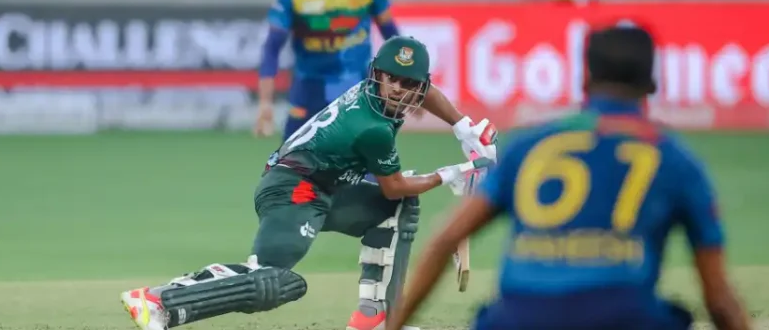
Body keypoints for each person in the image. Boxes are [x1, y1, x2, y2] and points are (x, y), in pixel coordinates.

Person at [387, 26, 752, 330]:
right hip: (622, 317)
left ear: (585, 78)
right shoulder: (675, 160)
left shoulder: (529, 146)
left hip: (519, 318)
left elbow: (445, 240)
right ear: (652, 83)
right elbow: (719, 301)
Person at [121, 36, 498, 330]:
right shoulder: (372, 128)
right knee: (272, 281)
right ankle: (158, 301)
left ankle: (378, 317)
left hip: (329, 187)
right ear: (378, 75)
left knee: (396, 210)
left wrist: (463, 126)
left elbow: (424, 96)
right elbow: (394, 186)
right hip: (294, 189)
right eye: (392, 79)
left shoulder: (383, 96)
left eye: (408, 83)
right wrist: (450, 174)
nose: (399, 88)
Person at [253, 0, 496, 176]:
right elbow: (272, 48)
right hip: (309, 92)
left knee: (368, 176)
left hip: (360, 92)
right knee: (292, 172)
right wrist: (265, 103)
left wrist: (411, 90)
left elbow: (394, 39)